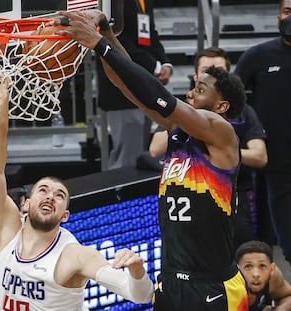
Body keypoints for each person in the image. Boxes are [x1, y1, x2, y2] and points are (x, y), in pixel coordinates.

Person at [55, 10, 249, 310]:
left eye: (199, 89)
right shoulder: (177, 130)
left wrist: (99, 44)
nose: (190, 93)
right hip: (170, 280)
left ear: (222, 104)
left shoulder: (222, 133)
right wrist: (107, 34)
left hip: (212, 286)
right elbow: (127, 83)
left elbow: (160, 96)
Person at [0, 77, 154, 310]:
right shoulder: (6, 231)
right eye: (43, 190)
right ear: (26, 204)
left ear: (65, 216)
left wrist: (137, 270)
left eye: (59, 195)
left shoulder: (75, 255)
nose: (50, 196)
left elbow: (141, 295)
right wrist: (1, 117)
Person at [147, 47, 268, 249]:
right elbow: (155, 148)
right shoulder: (182, 110)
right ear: (196, 76)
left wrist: (222, 150)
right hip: (188, 211)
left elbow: (260, 155)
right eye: (206, 70)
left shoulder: (244, 112)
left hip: (232, 199)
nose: (212, 73)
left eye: (218, 70)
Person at [234, 0, 291, 264]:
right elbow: (231, 98)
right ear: (279, 15)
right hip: (276, 160)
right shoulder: (258, 56)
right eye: (288, 11)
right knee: (279, 234)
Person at [97, 0, 173, 169]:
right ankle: (119, 195)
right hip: (122, 92)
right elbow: (116, 40)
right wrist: (154, 66)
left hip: (145, 86)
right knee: (126, 158)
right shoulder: (114, 3)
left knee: (138, 154)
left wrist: (165, 62)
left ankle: (132, 194)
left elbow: (150, 33)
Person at [236, 240, 291, 310]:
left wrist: (281, 309)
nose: (256, 274)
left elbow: (288, 296)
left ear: (272, 268)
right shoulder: (228, 288)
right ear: (237, 269)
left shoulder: (273, 278)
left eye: (262, 266)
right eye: (248, 266)